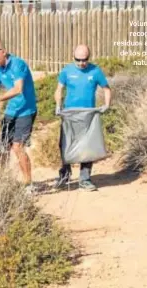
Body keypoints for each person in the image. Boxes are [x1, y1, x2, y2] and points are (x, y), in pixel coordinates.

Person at [0, 40, 38, 193]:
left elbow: (18, 89)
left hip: (26, 111)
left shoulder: (18, 64)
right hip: (11, 111)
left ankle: (28, 184)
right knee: (4, 147)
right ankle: (1, 180)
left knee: (17, 147)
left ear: (3, 52)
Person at [53, 44, 112, 192]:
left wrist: (106, 104)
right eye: (78, 60)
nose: (81, 63)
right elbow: (59, 89)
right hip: (70, 114)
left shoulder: (95, 71)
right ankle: (65, 175)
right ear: (73, 57)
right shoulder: (66, 71)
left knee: (88, 146)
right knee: (65, 144)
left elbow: (106, 88)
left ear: (89, 58)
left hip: (88, 115)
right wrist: (58, 105)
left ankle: (85, 179)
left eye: (84, 60)